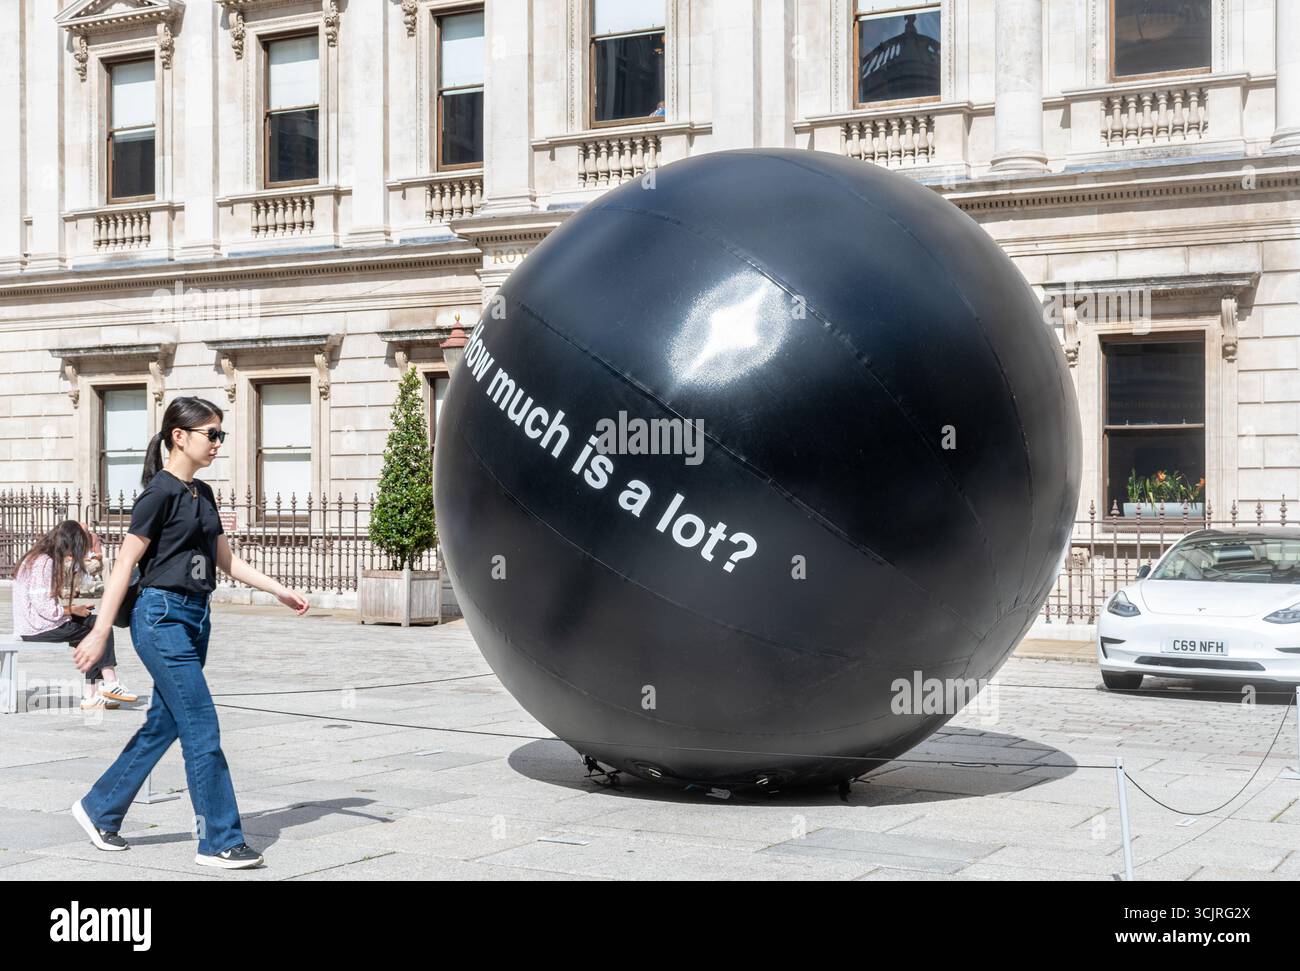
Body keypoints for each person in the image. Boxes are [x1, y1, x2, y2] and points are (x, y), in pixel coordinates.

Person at [68, 396, 310, 870]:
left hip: (196, 617)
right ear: (180, 436)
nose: (218, 443)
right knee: (201, 724)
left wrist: (279, 589)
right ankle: (218, 839)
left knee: (166, 723)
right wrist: (98, 633)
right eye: (211, 434)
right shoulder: (157, 494)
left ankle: (99, 809)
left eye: (221, 434)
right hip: (159, 618)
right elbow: (124, 564)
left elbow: (226, 560)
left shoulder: (204, 494)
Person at [13, 521, 138, 710]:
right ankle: (108, 683)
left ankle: (93, 693)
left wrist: (73, 610)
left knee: (96, 624)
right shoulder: (44, 562)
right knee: (96, 632)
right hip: (36, 627)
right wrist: (72, 610)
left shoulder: (39, 557)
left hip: (36, 623)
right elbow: (45, 608)